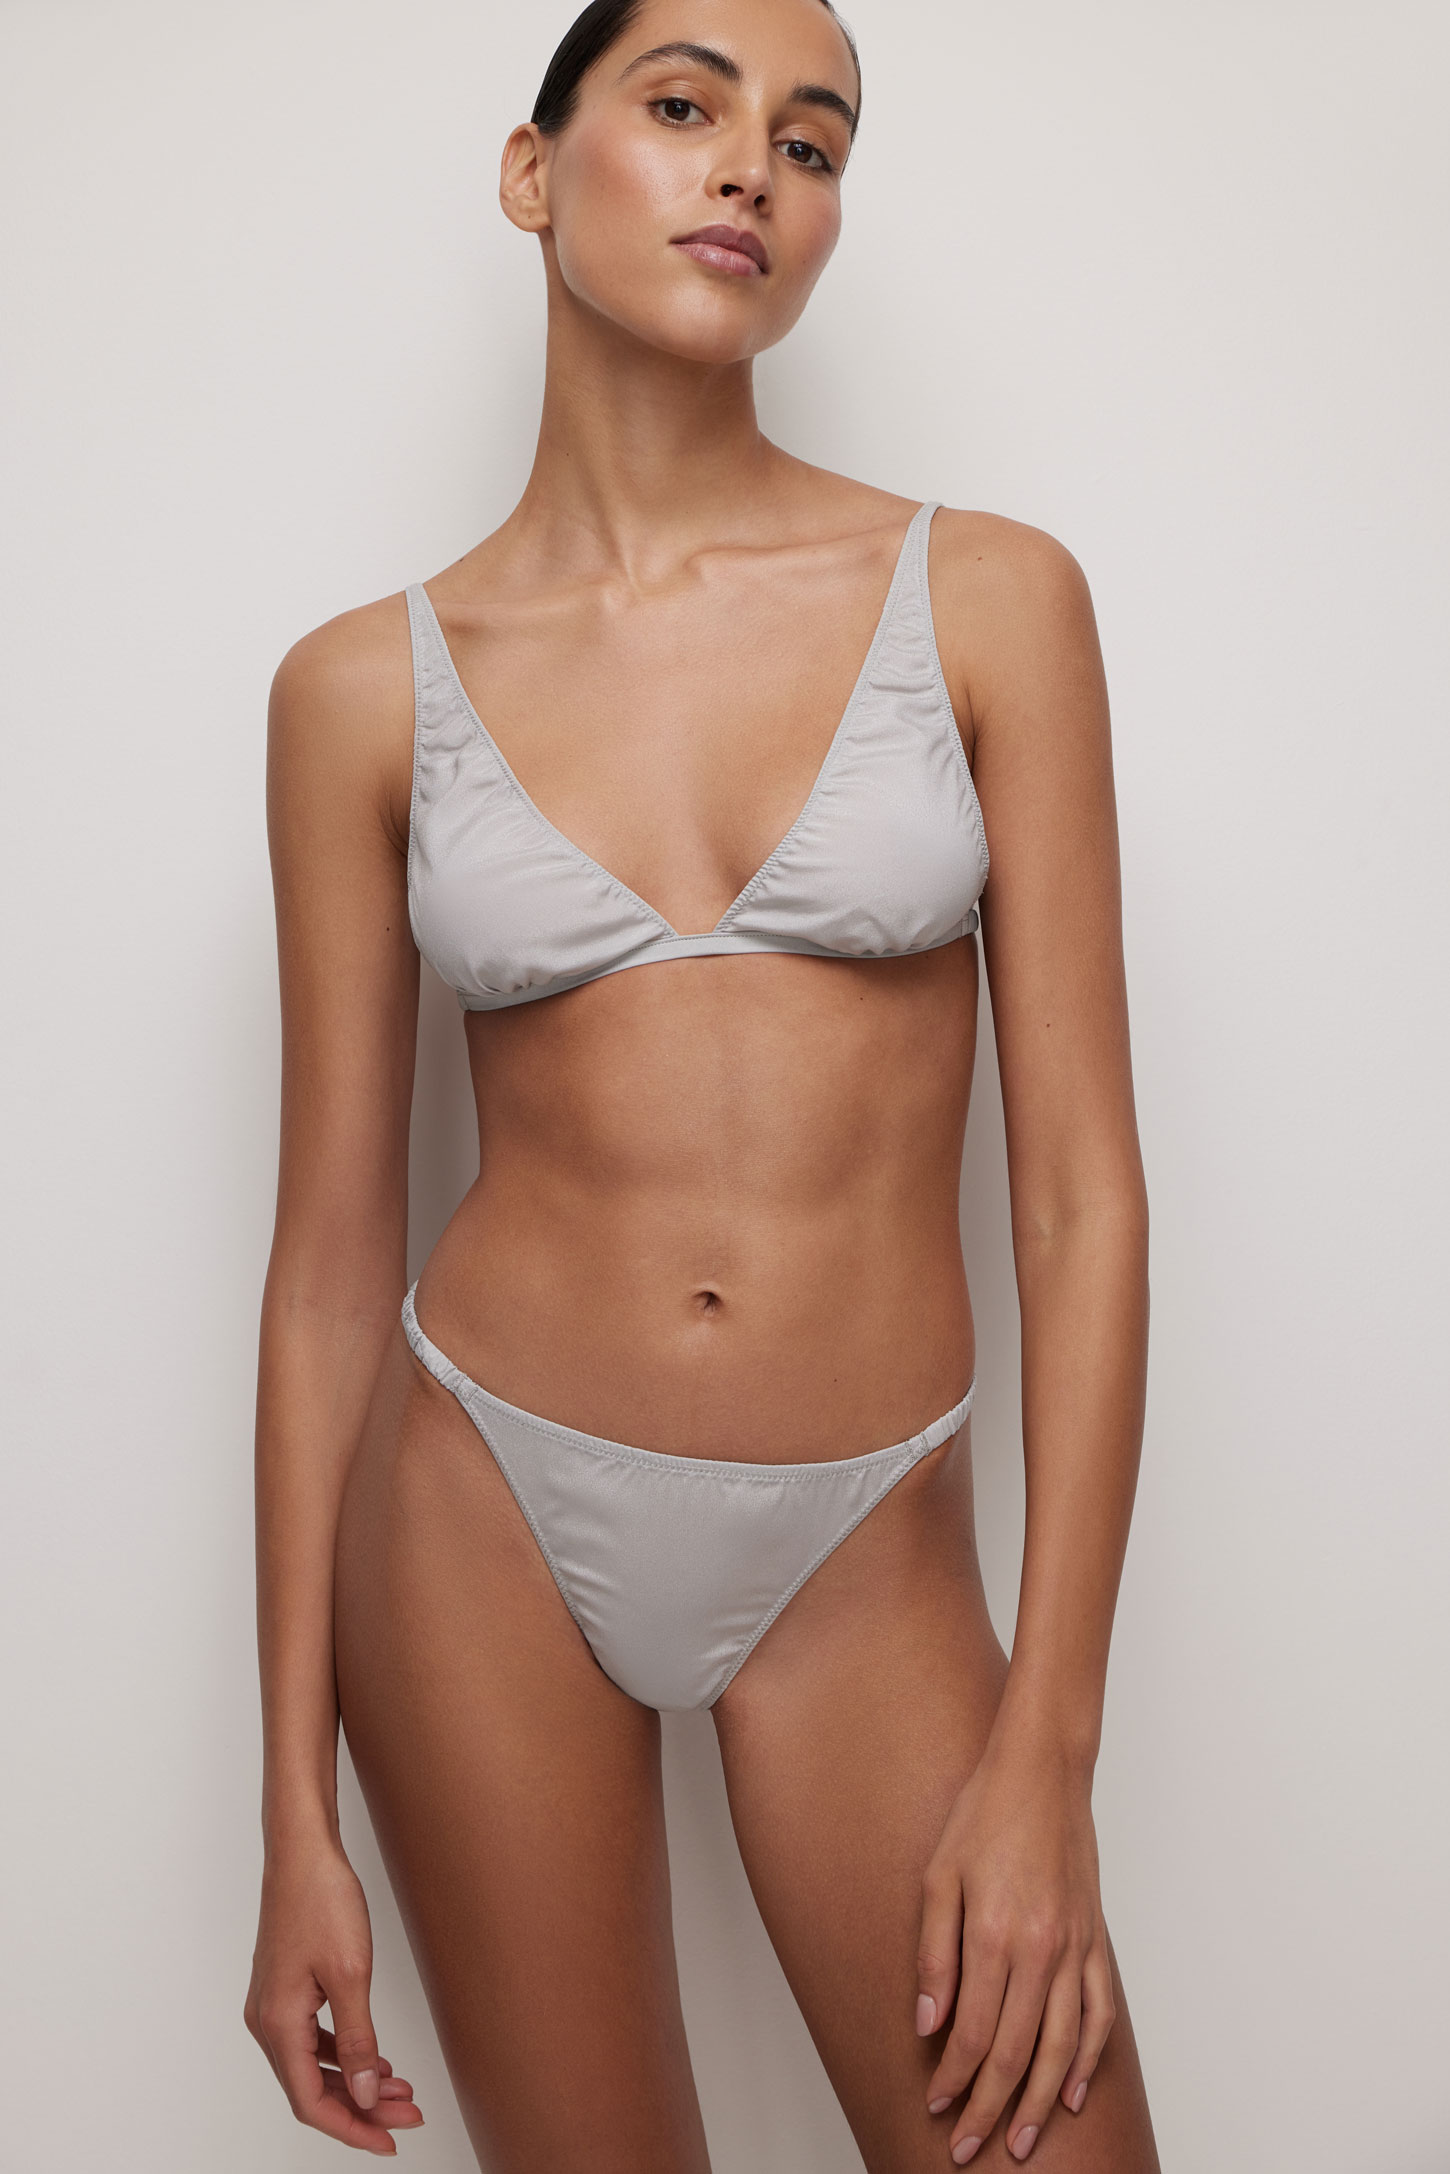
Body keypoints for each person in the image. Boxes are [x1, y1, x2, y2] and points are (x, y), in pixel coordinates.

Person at [244, 0, 1162, 2166]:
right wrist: (292, 1813)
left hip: (867, 1545)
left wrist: (1048, 1757)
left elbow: (1078, 1203)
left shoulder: (987, 600)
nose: (754, 165)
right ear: (532, 170)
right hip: (475, 1517)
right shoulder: (358, 691)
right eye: (684, 105)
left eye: (811, 142)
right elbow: (326, 1269)